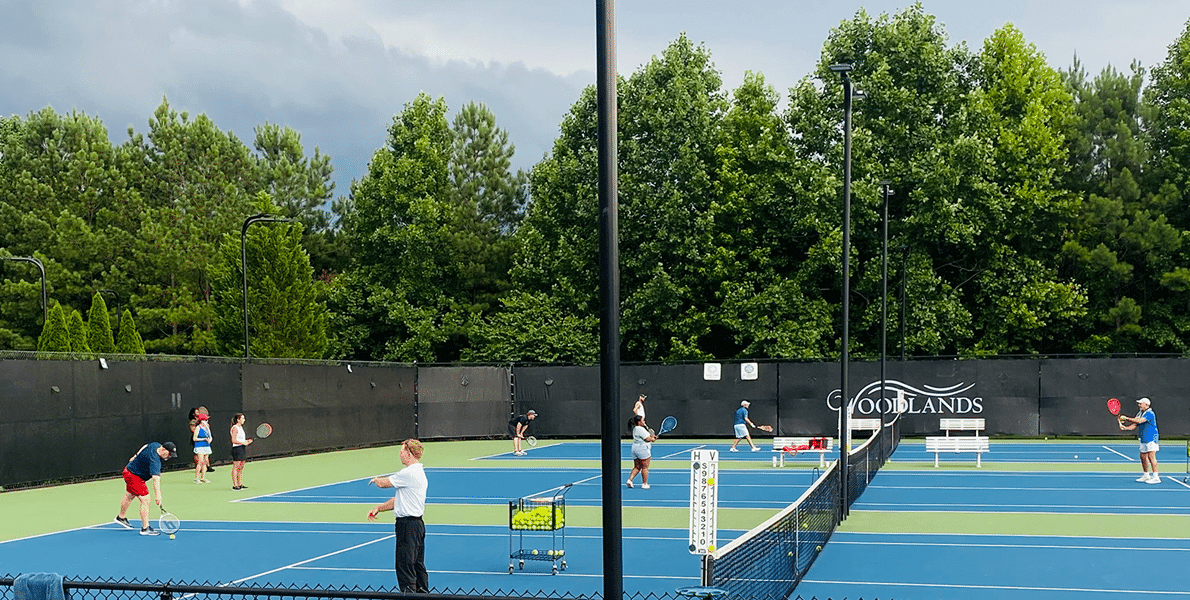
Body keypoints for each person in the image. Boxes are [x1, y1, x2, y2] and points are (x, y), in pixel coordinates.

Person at [368, 439, 429, 593]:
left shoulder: (409, 472)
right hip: (416, 525)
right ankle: (423, 594)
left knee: (405, 565)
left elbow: (384, 483)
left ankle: (410, 595)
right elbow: (398, 501)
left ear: (409, 454)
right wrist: (379, 508)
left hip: (408, 526)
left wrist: (376, 479)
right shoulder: (417, 472)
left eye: (401, 451)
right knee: (416, 564)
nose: (399, 454)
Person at [114, 441, 177, 536]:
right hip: (134, 476)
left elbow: (145, 446)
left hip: (129, 471)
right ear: (163, 449)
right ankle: (145, 528)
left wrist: (135, 456)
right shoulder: (155, 461)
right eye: (169, 454)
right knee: (145, 499)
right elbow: (155, 479)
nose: (169, 457)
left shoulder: (155, 445)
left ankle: (121, 517)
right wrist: (158, 495)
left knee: (130, 495)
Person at [1119, 397, 1160, 483]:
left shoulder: (1150, 413)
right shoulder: (1140, 413)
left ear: (1147, 405)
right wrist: (1126, 428)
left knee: (1151, 456)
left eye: (1141, 403)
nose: (1139, 405)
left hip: (1151, 438)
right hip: (1143, 438)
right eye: (1139, 403)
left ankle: (1156, 477)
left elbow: (1140, 421)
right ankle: (1146, 475)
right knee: (1142, 456)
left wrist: (1126, 418)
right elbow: (1135, 424)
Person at [625, 415, 656, 489]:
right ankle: (644, 484)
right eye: (643, 420)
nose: (644, 421)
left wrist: (652, 438)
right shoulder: (640, 429)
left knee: (637, 466)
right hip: (642, 449)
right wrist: (653, 439)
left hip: (635, 449)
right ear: (639, 422)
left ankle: (630, 480)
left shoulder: (635, 428)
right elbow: (647, 439)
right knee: (645, 467)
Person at [230, 413, 254, 490]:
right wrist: (242, 442)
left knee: (241, 467)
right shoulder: (235, 428)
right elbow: (233, 440)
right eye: (242, 418)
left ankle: (240, 484)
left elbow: (240, 439)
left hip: (242, 448)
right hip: (237, 449)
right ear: (238, 420)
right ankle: (235, 485)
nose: (244, 420)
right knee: (236, 467)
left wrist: (247, 441)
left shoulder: (241, 428)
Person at [192, 413, 213, 483]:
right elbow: (194, 438)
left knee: (205, 462)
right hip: (199, 446)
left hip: (206, 446)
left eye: (207, 420)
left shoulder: (207, 427)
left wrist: (209, 440)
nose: (207, 421)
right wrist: (203, 439)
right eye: (205, 420)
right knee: (200, 461)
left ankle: (203, 477)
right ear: (201, 420)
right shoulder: (198, 428)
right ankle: (196, 478)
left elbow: (210, 437)